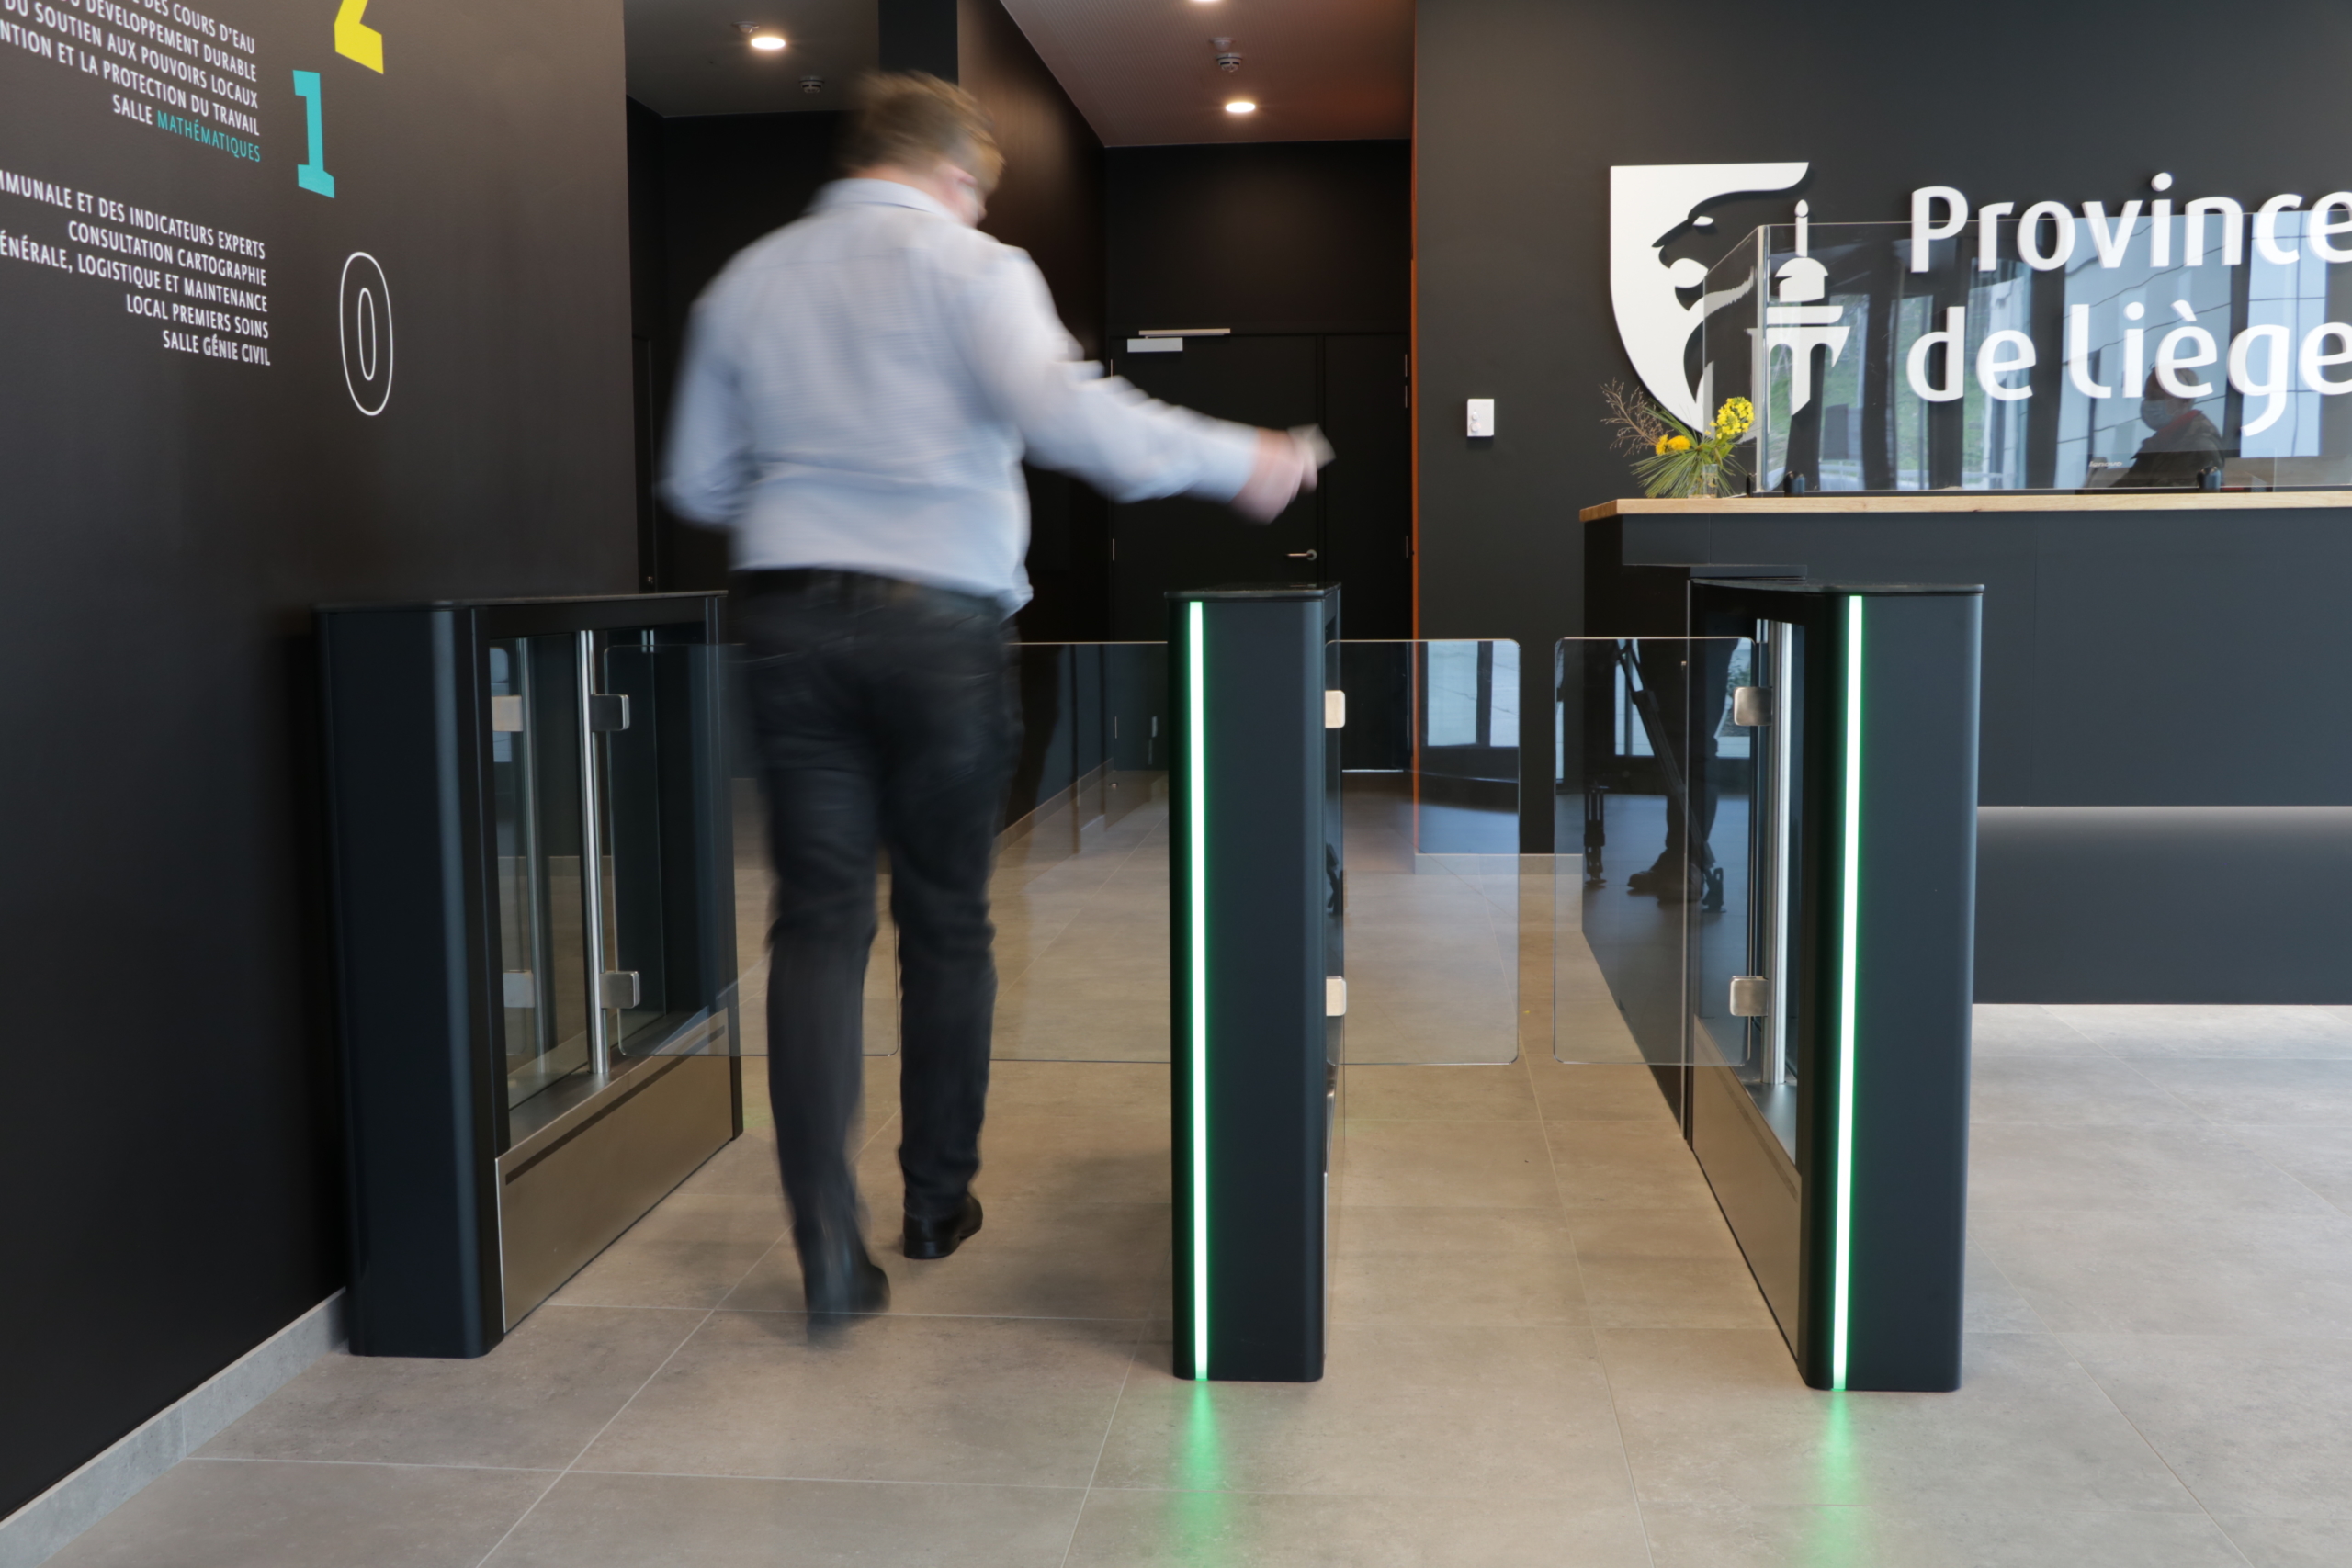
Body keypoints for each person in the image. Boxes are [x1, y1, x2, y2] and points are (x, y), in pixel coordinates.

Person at [661, 73, 1322, 1324]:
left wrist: (812, 486)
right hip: (939, 627)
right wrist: (1244, 458)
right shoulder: (973, 268)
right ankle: (933, 1201)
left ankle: (826, 1242)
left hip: (787, 622)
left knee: (816, 924)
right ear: (954, 173)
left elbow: (696, 480)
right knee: (946, 919)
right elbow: (1070, 419)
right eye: (977, 190)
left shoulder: (744, 281)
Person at [2115, 374, 2222, 488]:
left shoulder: (2198, 448)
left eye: (2155, 397)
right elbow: (2123, 489)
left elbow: (2172, 496)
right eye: (2146, 396)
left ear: (2185, 399)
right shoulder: (2157, 445)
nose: (2148, 403)